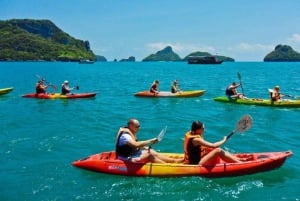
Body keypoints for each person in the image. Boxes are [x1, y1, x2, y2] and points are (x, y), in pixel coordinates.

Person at [116, 118, 183, 163]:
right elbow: (135, 144)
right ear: (130, 126)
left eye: (139, 126)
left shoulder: (131, 132)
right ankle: (167, 166)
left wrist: (145, 147)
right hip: (126, 158)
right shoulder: (125, 136)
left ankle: (174, 161)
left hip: (133, 154)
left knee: (151, 151)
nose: (139, 128)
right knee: (149, 155)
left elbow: (134, 145)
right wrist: (150, 141)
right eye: (137, 127)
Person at [183, 120, 249, 165]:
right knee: (218, 150)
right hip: (196, 163)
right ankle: (239, 163)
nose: (204, 129)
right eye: (203, 128)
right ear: (198, 130)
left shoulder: (192, 132)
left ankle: (238, 159)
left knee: (211, 149)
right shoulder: (196, 140)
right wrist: (224, 140)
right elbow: (214, 145)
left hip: (197, 158)